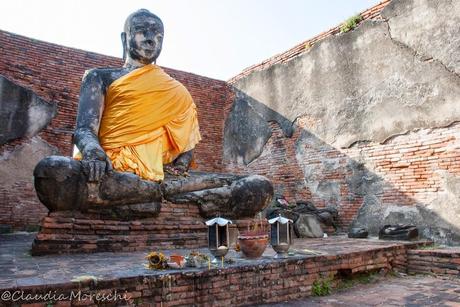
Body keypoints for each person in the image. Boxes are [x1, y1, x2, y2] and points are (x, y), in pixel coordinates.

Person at [34, 9, 273, 219]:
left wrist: (180, 165)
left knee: (258, 186)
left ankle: (147, 196)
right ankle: (165, 197)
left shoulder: (176, 90)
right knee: (52, 171)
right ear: (125, 37)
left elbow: (184, 150)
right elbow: (84, 130)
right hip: (111, 169)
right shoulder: (100, 77)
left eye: (158, 35)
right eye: (142, 31)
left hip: (162, 176)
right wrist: (94, 153)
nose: (150, 39)